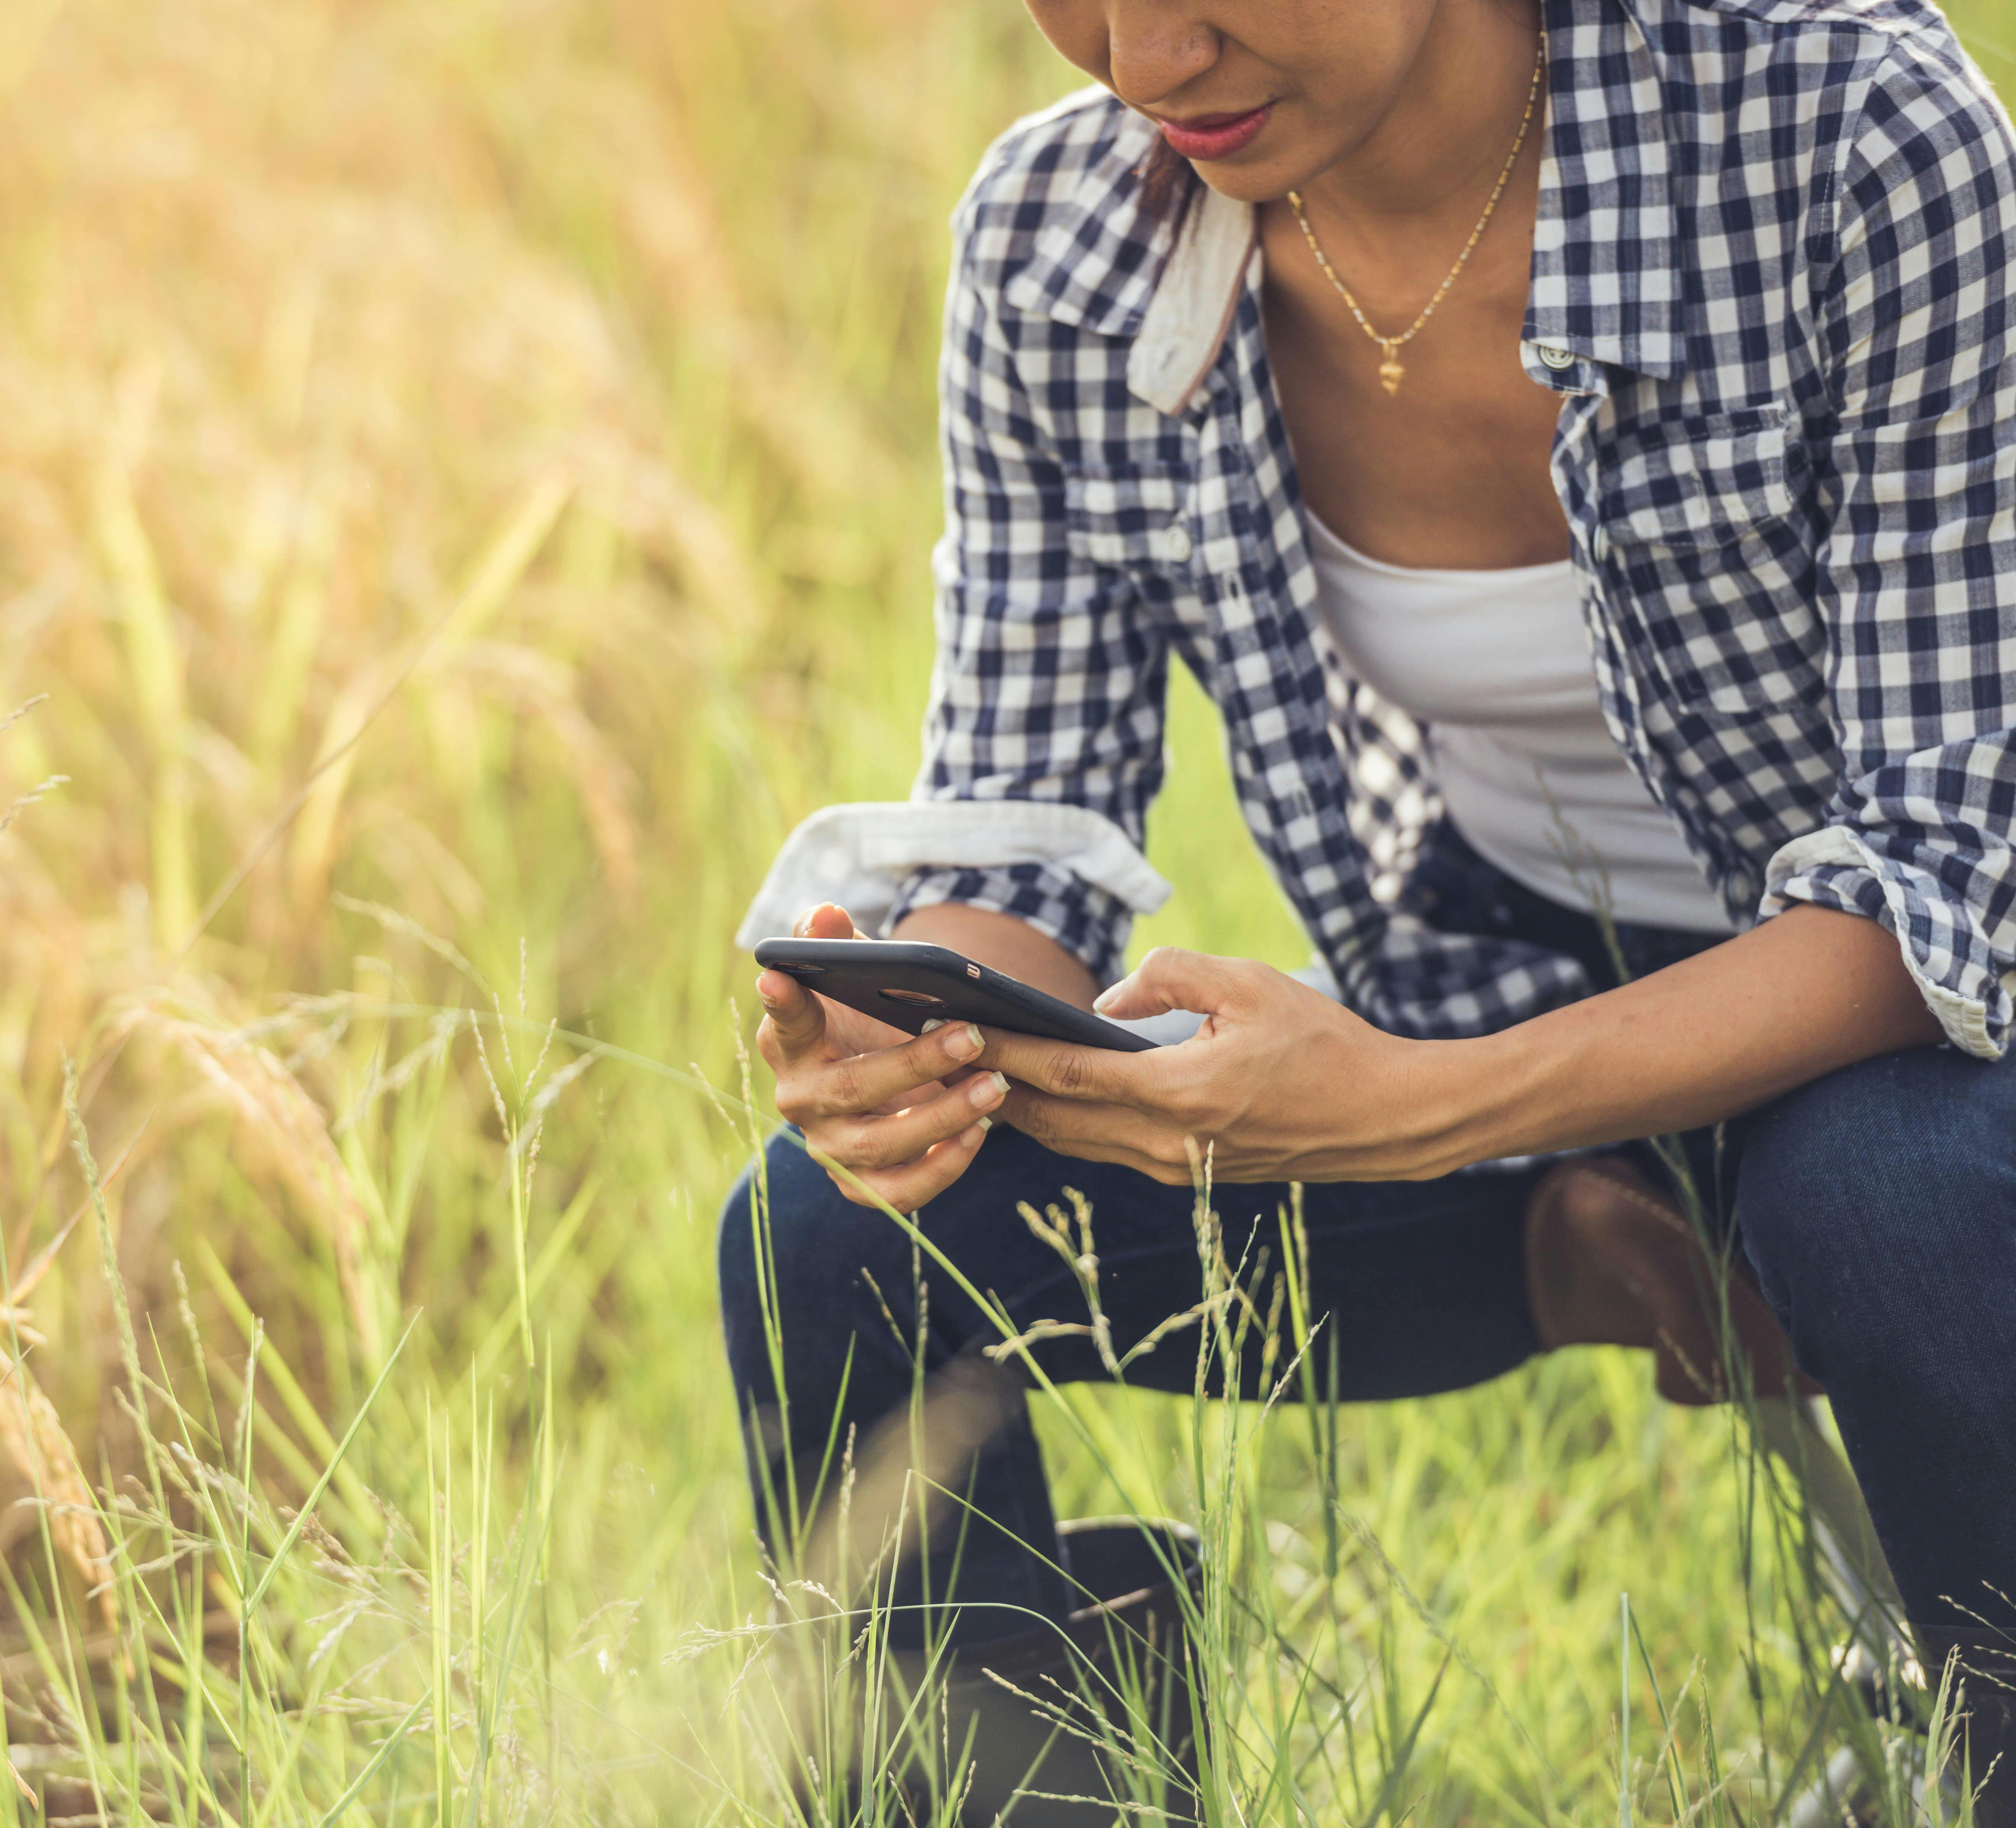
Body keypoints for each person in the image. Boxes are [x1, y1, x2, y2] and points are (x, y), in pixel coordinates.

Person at [719, 0, 2016, 1819]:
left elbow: (1955, 873)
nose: (1144, 60)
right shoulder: (1067, 234)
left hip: (1922, 1050)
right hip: (1496, 1001)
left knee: (1877, 1191)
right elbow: (1024, 824)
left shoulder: (1843, 129)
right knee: (838, 1235)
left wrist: (1417, 1112)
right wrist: (929, 1034)